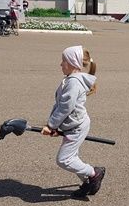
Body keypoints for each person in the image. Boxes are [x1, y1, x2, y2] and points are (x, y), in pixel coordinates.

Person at [41, 46, 106, 198]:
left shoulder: (73, 82)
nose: (61, 64)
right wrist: (57, 128)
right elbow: (60, 105)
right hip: (72, 125)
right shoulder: (70, 80)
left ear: (72, 62)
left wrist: (51, 125)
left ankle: (94, 173)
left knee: (64, 159)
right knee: (72, 158)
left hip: (76, 127)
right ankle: (88, 181)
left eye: (63, 60)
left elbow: (65, 108)